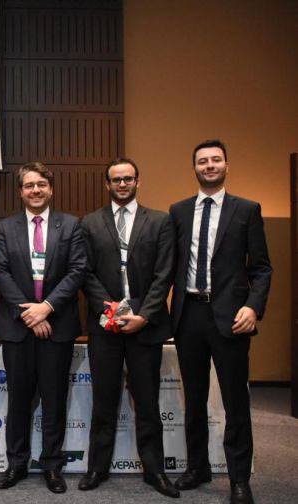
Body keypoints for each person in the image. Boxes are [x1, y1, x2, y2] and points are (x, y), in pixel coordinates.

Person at [169, 140, 271, 504]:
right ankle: (198, 468)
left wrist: (253, 307)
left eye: (215, 160)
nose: (209, 165)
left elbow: (261, 267)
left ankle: (239, 479)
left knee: (234, 401)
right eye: (202, 161)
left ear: (227, 165)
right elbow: (169, 267)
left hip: (232, 318)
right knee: (193, 399)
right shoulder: (178, 212)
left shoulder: (247, 209)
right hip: (188, 316)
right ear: (193, 167)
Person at [78, 158, 179, 498]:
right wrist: (109, 308)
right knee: (103, 401)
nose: (122, 184)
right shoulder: (90, 223)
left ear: (138, 181)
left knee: (147, 402)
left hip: (145, 327)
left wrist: (143, 314)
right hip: (105, 326)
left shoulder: (161, 222)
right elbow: (85, 273)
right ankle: (97, 468)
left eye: (128, 179)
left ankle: (155, 471)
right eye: (116, 180)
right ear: (107, 184)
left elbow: (164, 274)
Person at [0, 162, 86, 492]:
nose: (35, 190)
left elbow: (77, 272)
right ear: (21, 192)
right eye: (29, 185)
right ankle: (16, 464)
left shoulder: (71, 226)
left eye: (41, 184)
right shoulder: (5, 227)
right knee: (18, 400)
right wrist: (29, 314)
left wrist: (46, 308)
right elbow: (0, 273)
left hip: (57, 326)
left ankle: (52, 466)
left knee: (54, 398)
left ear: (51, 189)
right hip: (18, 329)